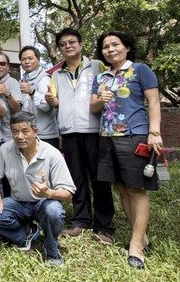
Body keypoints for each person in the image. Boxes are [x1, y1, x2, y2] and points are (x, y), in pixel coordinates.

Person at [90, 30, 162, 269]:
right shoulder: (101, 77)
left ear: (127, 47)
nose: (110, 50)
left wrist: (154, 132)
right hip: (106, 136)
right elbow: (93, 108)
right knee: (121, 188)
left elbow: (153, 102)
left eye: (115, 45)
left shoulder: (140, 70)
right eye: (105, 47)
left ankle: (136, 246)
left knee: (136, 189)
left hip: (134, 135)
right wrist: (102, 99)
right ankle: (141, 236)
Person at [45, 28, 115, 244]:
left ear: (81, 44)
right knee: (76, 179)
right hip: (69, 133)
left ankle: (103, 226)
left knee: (99, 179)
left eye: (72, 42)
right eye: (63, 43)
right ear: (59, 49)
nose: (68, 46)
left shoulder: (97, 66)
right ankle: (81, 221)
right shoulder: (56, 74)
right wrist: (52, 101)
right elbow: (56, 102)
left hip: (94, 131)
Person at [0, 112, 76, 266]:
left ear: (35, 131)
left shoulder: (52, 154)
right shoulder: (6, 149)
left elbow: (68, 194)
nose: (20, 136)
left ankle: (51, 248)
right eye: (15, 131)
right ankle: (26, 234)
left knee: (54, 211)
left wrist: (49, 193)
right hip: (18, 203)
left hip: (44, 203)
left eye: (25, 131)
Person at [19, 46, 59, 149]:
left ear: (38, 59)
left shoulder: (44, 78)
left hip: (46, 135)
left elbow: (46, 106)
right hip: (28, 135)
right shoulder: (21, 81)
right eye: (23, 59)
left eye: (30, 58)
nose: (27, 61)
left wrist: (31, 92)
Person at [0, 51, 22, 143]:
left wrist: (7, 94)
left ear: (8, 67)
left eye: (2, 64)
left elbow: (18, 109)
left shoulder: (13, 83)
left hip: (8, 137)